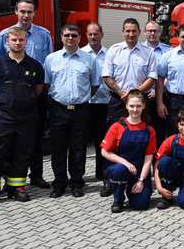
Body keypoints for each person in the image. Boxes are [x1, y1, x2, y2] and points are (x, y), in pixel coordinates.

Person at [0, 0, 54, 189]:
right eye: (22, 11)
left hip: (35, 95)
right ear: (16, 12)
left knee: (35, 138)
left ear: (34, 13)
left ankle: (36, 175)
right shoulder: (4, 35)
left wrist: (41, 92)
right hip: (10, 97)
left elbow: (48, 65)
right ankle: (7, 178)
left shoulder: (44, 34)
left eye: (29, 12)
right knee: (8, 139)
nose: (26, 15)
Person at [0, 27, 44, 206]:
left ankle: (16, 188)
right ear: (6, 42)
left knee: (22, 153)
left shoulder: (34, 65)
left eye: (21, 40)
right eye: (14, 40)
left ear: (26, 42)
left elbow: (38, 90)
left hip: (27, 117)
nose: (18, 43)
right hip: (4, 116)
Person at [101, 18, 157, 196]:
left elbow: (152, 77)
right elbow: (106, 76)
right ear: (123, 32)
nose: (131, 34)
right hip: (118, 100)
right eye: (128, 31)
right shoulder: (114, 50)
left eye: (134, 31)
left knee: (142, 137)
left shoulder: (147, 52)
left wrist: (134, 94)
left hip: (140, 101)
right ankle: (109, 181)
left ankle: (141, 176)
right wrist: (121, 93)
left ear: (139, 32)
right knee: (112, 140)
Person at [44, 23, 100, 198]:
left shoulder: (89, 59)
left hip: (80, 110)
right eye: (67, 35)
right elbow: (46, 84)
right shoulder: (51, 59)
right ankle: (59, 183)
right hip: (58, 109)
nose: (70, 38)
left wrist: (81, 98)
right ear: (61, 37)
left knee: (78, 148)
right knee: (58, 148)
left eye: (74, 35)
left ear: (79, 38)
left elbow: (95, 84)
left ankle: (77, 183)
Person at [101, 90, 157, 213]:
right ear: (126, 106)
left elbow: (148, 158)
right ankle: (118, 199)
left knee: (141, 204)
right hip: (121, 169)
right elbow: (104, 152)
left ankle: (133, 191)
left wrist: (141, 180)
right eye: (131, 106)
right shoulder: (117, 126)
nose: (135, 109)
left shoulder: (149, 130)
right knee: (118, 170)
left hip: (139, 172)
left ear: (144, 106)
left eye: (138, 106)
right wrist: (126, 163)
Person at [81, 22, 110, 185]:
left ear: (102, 35)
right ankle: (80, 175)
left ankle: (102, 172)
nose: (93, 37)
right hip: (85, 103)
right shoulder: (81, 54)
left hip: (104, 103)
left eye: (96, 34)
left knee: (102, 140)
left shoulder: (109, 54)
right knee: (81, 140)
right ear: (86, 35)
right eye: (90, 34)